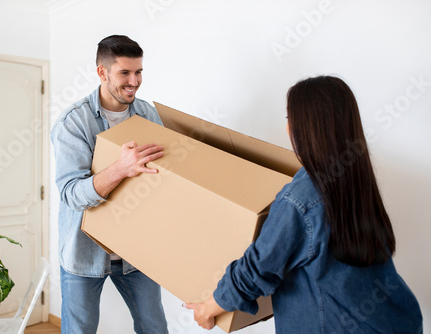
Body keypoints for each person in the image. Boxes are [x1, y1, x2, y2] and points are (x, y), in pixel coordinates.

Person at [184, 76, 423, 333]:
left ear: (303, 128)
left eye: (290, 119)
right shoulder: (356, 179)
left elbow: (257, 266)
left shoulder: (301, 199)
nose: (287, 128)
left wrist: (209, 307)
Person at [51, 35, 168, 334]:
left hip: (136, 251)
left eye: (139, 72)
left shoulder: (148, 114)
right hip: (84, 253)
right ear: (102, 72)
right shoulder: (73, 123)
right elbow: (72, 195)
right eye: (125, 73)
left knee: (155, 328)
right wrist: (120, 168)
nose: (134, 81)